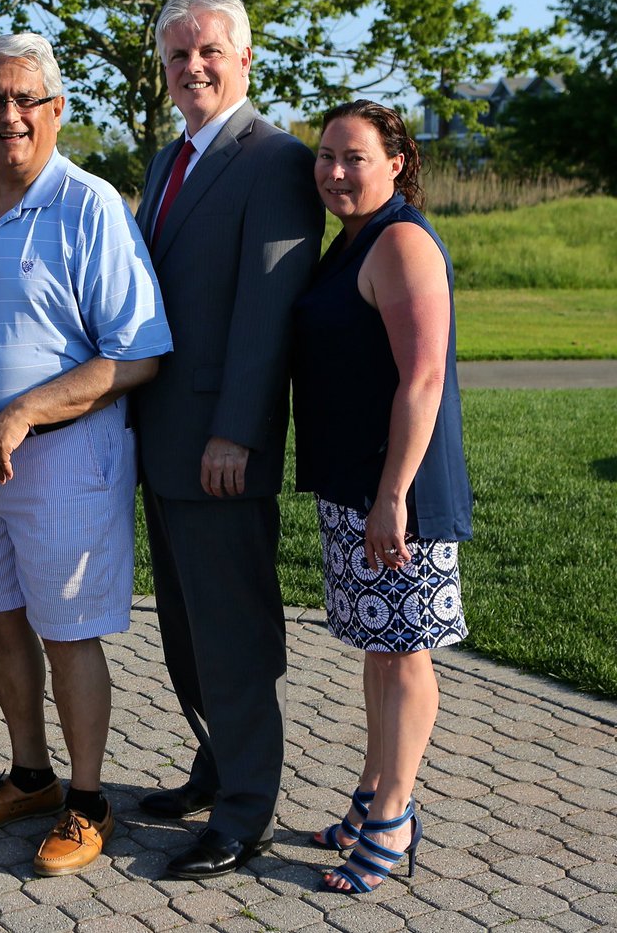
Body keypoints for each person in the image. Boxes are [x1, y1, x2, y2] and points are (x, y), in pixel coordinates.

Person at [0, 33, 172, 876]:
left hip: (67, 456)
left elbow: (136, 355)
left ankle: (88, 799)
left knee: (68, 634)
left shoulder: (90, 205)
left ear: (56, 109)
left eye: (25, 99)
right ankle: (30, 775)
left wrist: (24, 413)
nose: (9, 115)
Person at [132, 0, 325, 879]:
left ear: (245, 58)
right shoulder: (167, 160)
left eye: (209, 50)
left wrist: (237, 433)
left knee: (235, 634)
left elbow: (268, 310)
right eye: (177, 54)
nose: (193, 66)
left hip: (220, 447)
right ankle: (214, 765)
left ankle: (246, 812)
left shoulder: (277, 160)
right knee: (185, 628)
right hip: (161, 438)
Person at [293, 99, 472, 894]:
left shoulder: (400, 241)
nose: (335, 172)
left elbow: (423, 379)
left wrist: (393, 494)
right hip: (358, 482)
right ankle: (371, 793)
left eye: (354, 157)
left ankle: (395, 814)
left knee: (404, 653)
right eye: (325, 156)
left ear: (396, 163)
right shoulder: (354, 239)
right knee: (380, 647)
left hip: (399, 489)